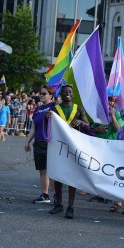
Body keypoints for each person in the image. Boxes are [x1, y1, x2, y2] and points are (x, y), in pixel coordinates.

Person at [48, 84, 90, 219]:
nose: (68, 93)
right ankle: (59, 204)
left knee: (72, 178)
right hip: (58, 147)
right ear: (61, 94)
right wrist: (46, 117)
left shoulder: (78, 109)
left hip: (73, 148)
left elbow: (88, 126)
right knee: (58, 176)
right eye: (65, 91)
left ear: (72, 94)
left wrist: (81, 123)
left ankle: (70, 207)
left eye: (70, 92)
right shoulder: (55, 109)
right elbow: (47, 124)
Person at [89, 95, 124, 203]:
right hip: (99, 146)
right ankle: (100, 194)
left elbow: (119, 130)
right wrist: (96, 129)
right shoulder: (100, 114)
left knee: (110, 172)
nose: (109, 103)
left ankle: (109, 196)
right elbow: (92, 128)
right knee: (99, 171)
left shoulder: (118, 114)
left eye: (112, 101)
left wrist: (112, 116)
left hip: (112, 147)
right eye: (108, 100)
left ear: (115, 103)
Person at [25, 85, 56, 204]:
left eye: (44, 94)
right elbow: (33, 127)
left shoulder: (54, 106)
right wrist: (27, 141)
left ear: (50, 95)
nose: (41, 95)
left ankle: (57, 196)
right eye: (40, 93)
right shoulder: (38, 109)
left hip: (50, 143)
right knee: (42, 171)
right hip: (38, 143)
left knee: (52, 171)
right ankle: (45, 194)